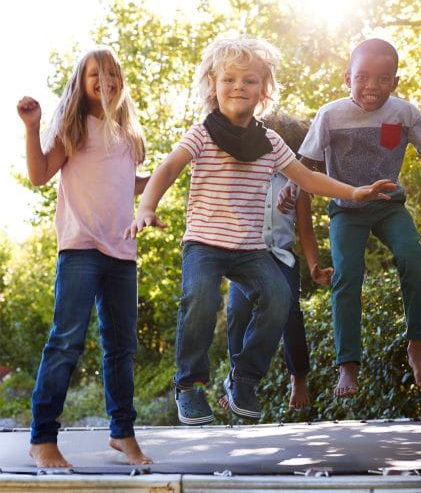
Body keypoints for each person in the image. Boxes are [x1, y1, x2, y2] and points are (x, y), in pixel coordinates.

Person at [124, 35, 396, 425]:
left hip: (250, 248)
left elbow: (307, 178)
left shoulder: (270, 142)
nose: (239, 87)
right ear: (213, 87)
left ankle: (244, 379)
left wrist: (355, 190)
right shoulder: (201, 134)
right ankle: (189, 386)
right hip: (204, 242)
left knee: (279, 298)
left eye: (249, 80)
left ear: (263, 90)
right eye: (229, 80)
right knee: (200, 298)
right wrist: (146, 207)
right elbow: (168, 169)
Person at [279, 38, 421, 398]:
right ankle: (348, 366)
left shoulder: (403, 113)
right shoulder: (330, 115)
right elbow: (304, 166)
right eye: (363, 77)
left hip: (389, 205)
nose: (372, 86)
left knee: (413, 258)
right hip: (347, 211)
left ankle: (417, 346)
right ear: (347, 79)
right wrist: (290, 189)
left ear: (396, 82)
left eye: (383, 78)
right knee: (347, 276)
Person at [17, 46, 152, 468]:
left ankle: (122, 433)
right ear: (82, 81)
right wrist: (33, 127)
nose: (105, 81)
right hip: (80, 249)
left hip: (122, 253)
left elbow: (128, 184)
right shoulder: (71, 129)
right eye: (96, 74)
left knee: (121, 347)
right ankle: (42, 439)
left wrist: (167, 181)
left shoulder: (129, 136)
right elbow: (39, 176)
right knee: (65, 342)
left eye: (111, 74)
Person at [222, 113, 333, 411]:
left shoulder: (296, 185)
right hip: (245, 257)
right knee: (237, 312)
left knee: (290, 312)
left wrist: (313, 267)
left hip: (282, 259)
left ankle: (298, 378)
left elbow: (306, 231)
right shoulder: (243, 177)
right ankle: (237, 381)